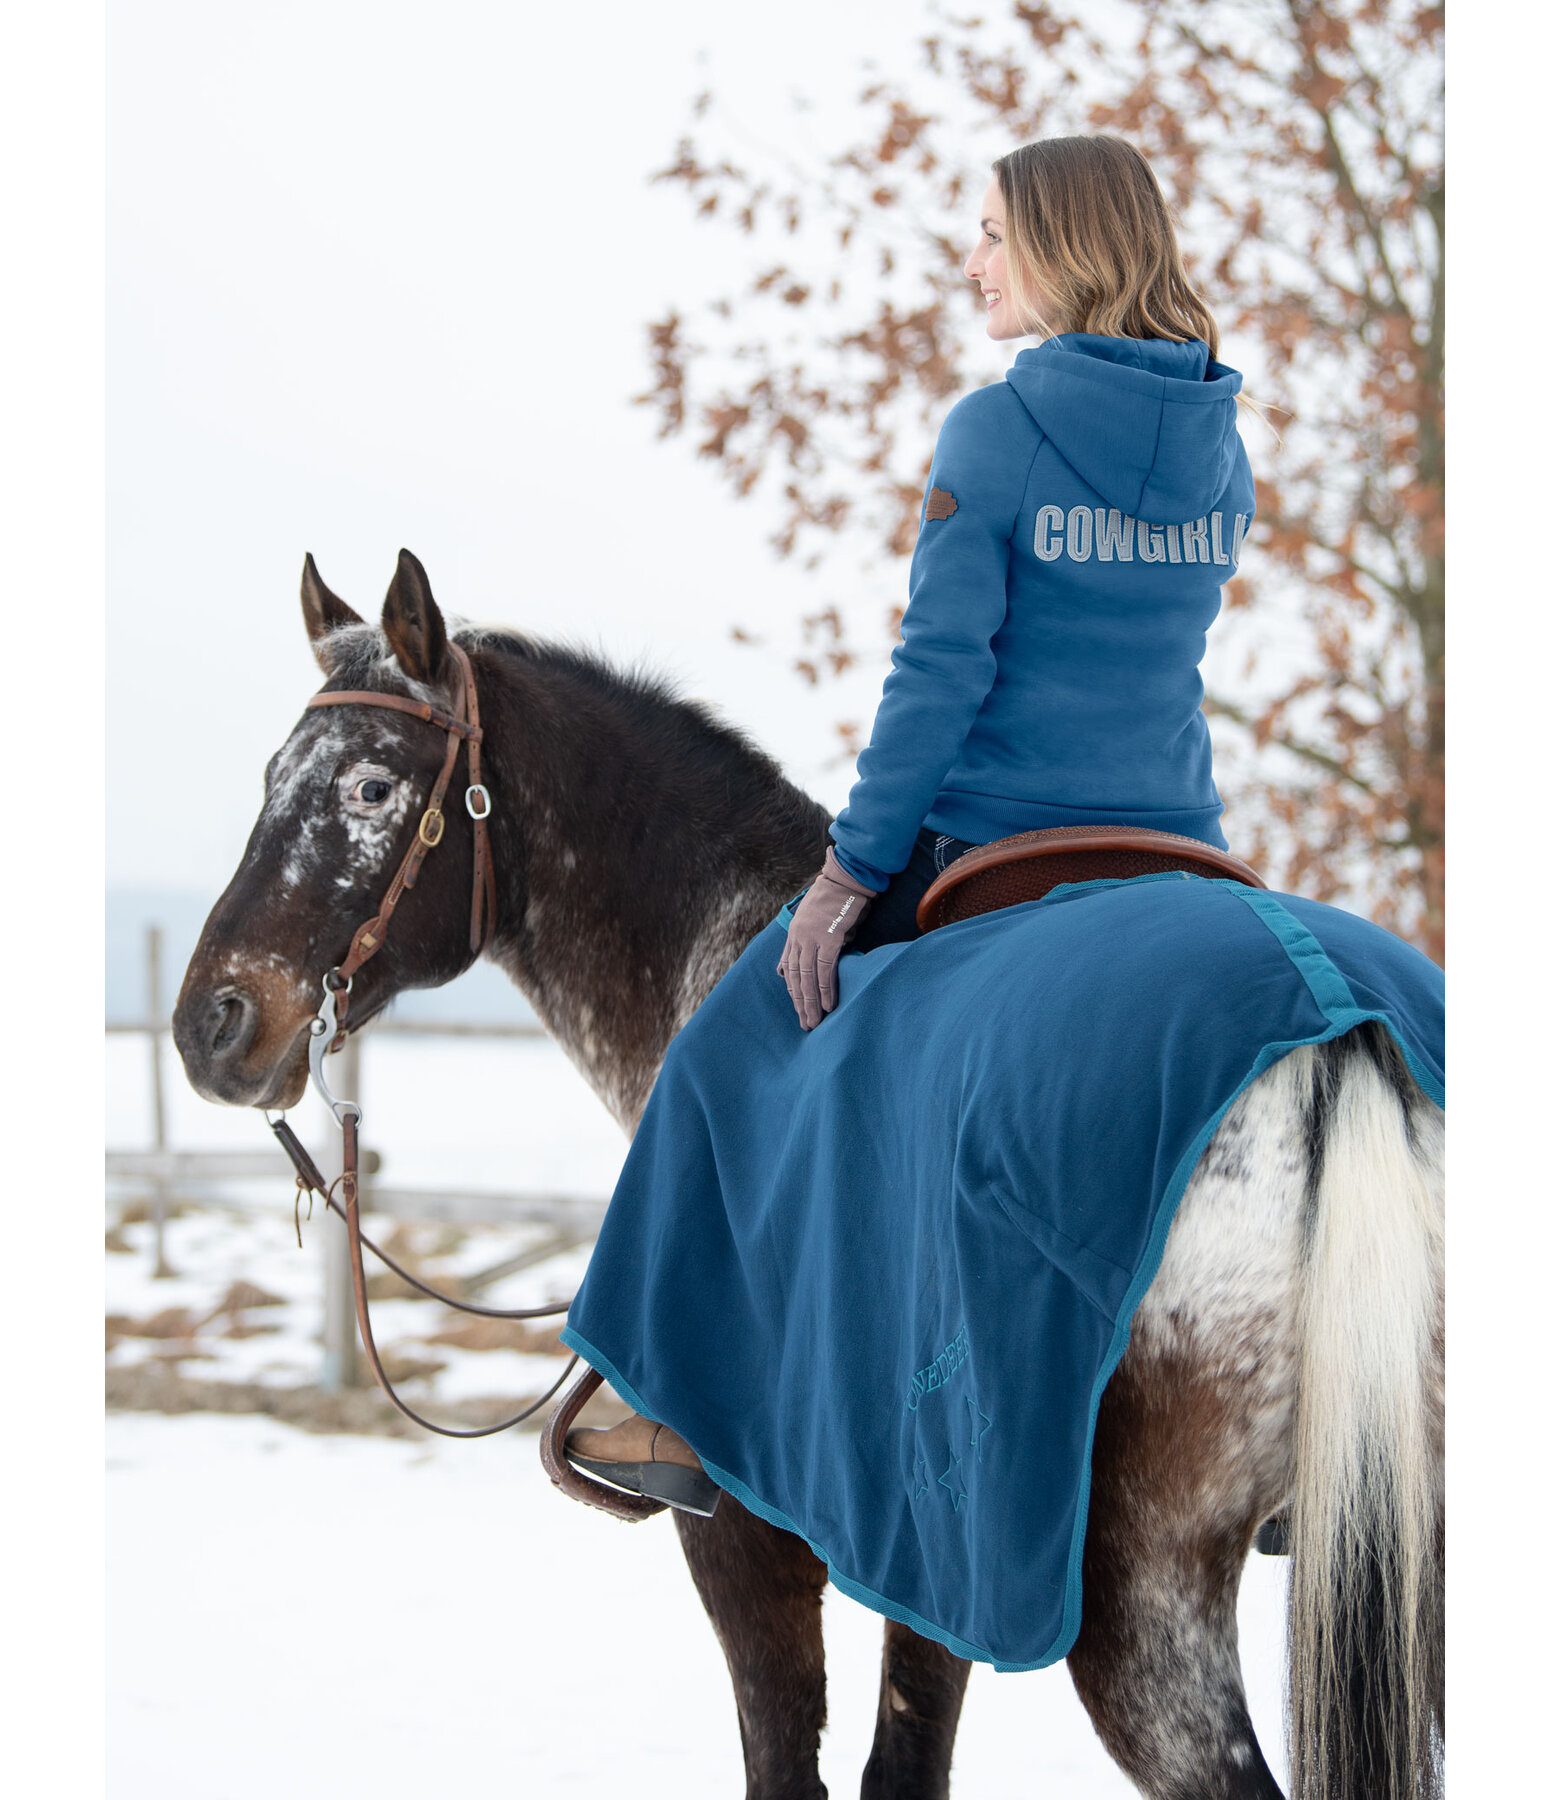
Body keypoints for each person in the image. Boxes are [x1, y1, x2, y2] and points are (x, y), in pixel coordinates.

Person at [567, 132, 1258, 1510]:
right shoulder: (1216, 441)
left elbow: (938, 675)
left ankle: (669, 1412)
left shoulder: (995, 431)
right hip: (1181, 851)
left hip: (991, 844)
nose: (972, 258)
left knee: (730, 1053)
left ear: (1061, 245)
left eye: (994, 231)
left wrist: (848, 873)